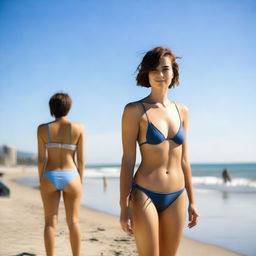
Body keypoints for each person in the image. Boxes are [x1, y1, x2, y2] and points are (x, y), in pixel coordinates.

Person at [119, 47, 199, 256]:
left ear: (174, 71)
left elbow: (184, 160)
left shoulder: (182, 111)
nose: (160, 75)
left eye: (165, 69)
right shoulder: (134, 110)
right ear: (146, 73)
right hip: (145, 192)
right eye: (154, 70)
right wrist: (123, 205)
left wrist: (193, 201)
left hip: (177, 194)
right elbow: (128, 160)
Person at [37, 92, 85, 256]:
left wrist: (41, 180)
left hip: (50, 175)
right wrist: (81, 181)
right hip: (71, 175)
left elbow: (41, 160)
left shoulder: (43, 129)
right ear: (68, 107)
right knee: (74, 222)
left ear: (51, 108)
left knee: (50, 223)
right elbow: (81, 160)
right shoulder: (78, 128)